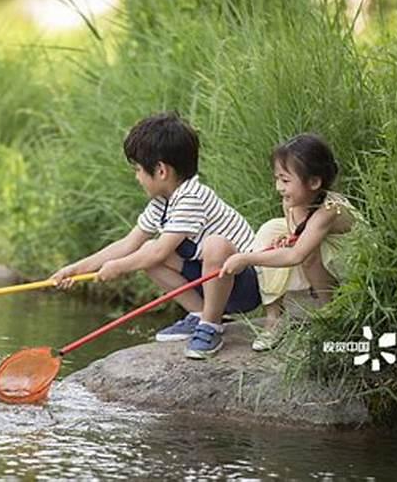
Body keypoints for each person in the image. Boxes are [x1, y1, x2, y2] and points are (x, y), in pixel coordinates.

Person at [51, 111, 261, 359]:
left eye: (138, 169)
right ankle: (199, 314)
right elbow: (129, 243)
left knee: (213, 246)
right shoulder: (163, 202)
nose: (137, 177)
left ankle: (211, 324)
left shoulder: (192, 197)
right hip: (208, 280)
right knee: (146, 253)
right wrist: (76, 270)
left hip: (245, 284)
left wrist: (118, 268)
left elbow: (160, 251)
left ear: (161, 170)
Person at [220, 133, 362, 351]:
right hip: (316, 243)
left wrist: (245, 258)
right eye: (277, 178)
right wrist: (289, 236)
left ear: (314, 182)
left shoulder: (329, 210)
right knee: (269, 231)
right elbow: (295, 231)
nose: (279, 187)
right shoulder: (291, 202)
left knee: (307, 253)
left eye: (285, 180)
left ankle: (331, 312)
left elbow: (296, 255)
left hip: (350, 256)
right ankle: (274, 317)